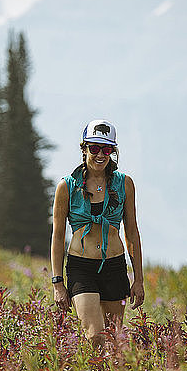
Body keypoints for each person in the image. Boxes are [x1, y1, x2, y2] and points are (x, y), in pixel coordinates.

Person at [51, 119, 145, 347]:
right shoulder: (67, 186)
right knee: (94, 336)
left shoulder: (125, 184)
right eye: (94, 148)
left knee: (114, 339)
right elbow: (57, 236)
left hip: (114, 266)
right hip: (81, 267)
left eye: (107, 149)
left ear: (113, 151)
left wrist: (139, 279)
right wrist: (57, 283)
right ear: (84, 149)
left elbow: (132, 233)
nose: (100, 154)